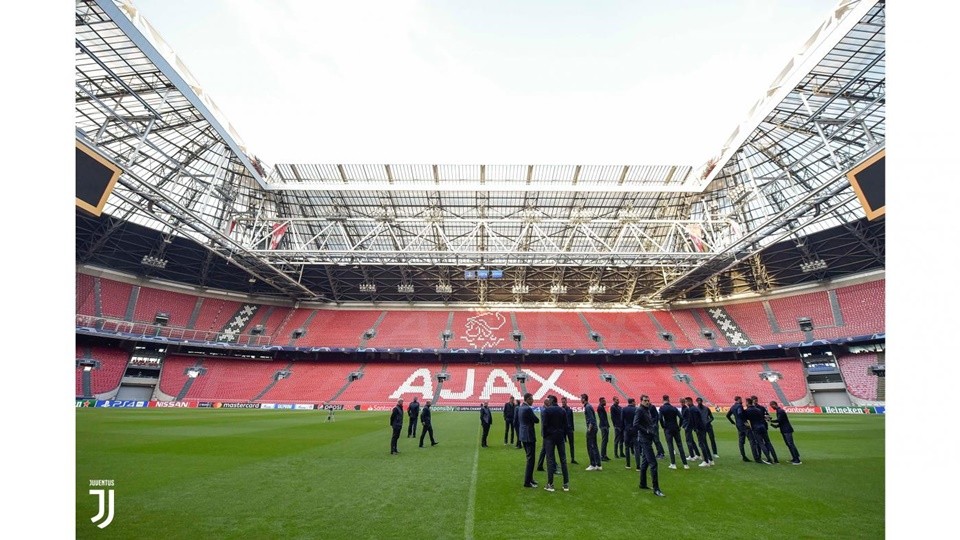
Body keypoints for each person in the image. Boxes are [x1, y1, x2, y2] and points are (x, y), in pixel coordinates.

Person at [634, 395, 665, 496]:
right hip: (644, 439)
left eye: (648, 400)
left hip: (648, 438)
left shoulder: (646, 410)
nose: (647, 402)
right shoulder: (640, 410)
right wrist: (646, 431)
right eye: (645, 400)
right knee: (653, 464)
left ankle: (642, 484)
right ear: (641, 401)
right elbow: (635, 424)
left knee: (645, 463)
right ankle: (656, 489)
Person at [540, 395, 570, 492]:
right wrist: (564, 436)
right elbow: (566, 425)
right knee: (563, 460)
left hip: (550, 437)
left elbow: (544, 425)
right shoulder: (562, 410)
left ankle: (550, 484)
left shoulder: (547, 411)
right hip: (560, 436)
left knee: (550, 460)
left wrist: (545, 436)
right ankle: (566, 484)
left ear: (551, 401)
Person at [659, 395, 689, 470]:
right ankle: (685, 464)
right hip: (675, 428)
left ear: (663, 400)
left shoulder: (662, 408)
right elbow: (681, 418)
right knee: (680, 445)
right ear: (669, 399)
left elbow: (660, 418)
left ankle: (673, 464)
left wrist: (663, 426)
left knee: (670, 446)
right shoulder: (674, 408)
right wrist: (679, 426)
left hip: (668, 428)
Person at [741, 397, 774, 464]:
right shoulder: (758, 409)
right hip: (763, 427)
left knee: (761, 443)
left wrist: (748, 427)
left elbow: (744, 419)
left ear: (748, 403)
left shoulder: (747, 411)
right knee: (767, 442)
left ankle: (769, 458)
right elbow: (766, 417)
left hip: (756, 428)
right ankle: (774, 459)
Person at [518, 392, 540, 488]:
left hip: (523, 435)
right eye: (532, 399)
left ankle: (530, 479)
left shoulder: (520, 408)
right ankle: (527, 482)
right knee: (531, 459)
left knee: (529, 458)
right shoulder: (528, 409)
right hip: (529, 436)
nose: (533, 400)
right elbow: (536, 420)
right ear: (528, 399)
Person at [686, 397, 713, 467]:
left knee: (702, 444)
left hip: (700, 429)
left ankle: (706, 461)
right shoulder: (694, 408)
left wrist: (694, 428)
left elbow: (694, 420)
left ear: (690, 401)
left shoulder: (692, 409)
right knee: (704, 444)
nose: (686, 403)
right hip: (702, 428)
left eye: (687, 402)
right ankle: (710, 460)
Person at [726, 396, 754, 462]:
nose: (742, 401)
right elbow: (740, 413)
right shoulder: (739, 406)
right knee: (752, 440)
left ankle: (743, 456)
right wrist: (745, 422)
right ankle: (756, 456)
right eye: (741, 399)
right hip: (744, 424)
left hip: (738, 425)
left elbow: (727, 415)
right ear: (738, 399)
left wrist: (732, 422)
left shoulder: (733, 407)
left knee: (741, 441)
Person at [581, 394, 602, 470]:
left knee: (590, 446)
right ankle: (598, 465)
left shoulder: (587, 407)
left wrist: (589, 430)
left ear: (584, 399)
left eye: (581, 398)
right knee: (594, 446)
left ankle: (592, 464)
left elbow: (591, 420)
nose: (581, 400)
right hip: (594, 428)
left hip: (592, 429)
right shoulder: (588, 406)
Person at [680, 397, 701, 461]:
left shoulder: (688, 409)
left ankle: (692, 456)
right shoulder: (688, 408)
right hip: (688, 426)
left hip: (688, 426)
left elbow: (688, 419)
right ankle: (697, 454)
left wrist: (686, 426)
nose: (683, 403)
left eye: (683, 402)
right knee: (691, 441)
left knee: (688, 441)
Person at [621, 398, 637, 469]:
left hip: (627, 430)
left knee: (627, 447)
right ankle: (638, 466)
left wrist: (623, 429)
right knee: (636, 447)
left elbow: (622, 420)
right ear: (633, 402)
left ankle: (628, 464)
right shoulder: (636, 409)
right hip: (635, 429)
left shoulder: (624, 409)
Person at [561, 397, 578, 464]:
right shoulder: (560, 410)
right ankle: (563, 459)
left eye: (564, 402)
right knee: (562, 445)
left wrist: (572, 428)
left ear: (566, 402)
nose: (563, 403)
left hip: (569, 429)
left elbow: (571, 419)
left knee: (571, 444)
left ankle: (572, 459)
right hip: (563, 430)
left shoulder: (569, 410)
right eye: (562, 402)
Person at [597, 397, 611, 461]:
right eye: (604, 401)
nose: (605, 402)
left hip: (604, 426)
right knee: (604, 441)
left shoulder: (601, 407)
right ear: (601, 401)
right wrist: (606, 426)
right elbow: (602, 418)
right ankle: (602, 456)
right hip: (604, 426)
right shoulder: (600, 408)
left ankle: (604, 455)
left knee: (605, 441)